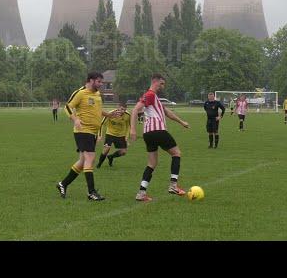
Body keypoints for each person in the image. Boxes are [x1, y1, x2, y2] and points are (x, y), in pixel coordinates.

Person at [56, 72, 122, 201]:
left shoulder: (97, 94)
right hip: (82, 130)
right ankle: (91, 192)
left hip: (92, 132)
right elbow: (68, 107)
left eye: (102, 82)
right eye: (99, 82)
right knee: (90, 158)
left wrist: (109, 115)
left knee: (82, 162)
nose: (101, 84)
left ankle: (62, 184)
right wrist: (75, 119)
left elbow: (97, 111)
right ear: (91, 80)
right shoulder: (80, 92)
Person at [130, 73, 190, 202]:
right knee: (177, 153)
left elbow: (167, 112)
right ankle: (173, 185)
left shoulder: (154, 98)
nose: (163, 86)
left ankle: (141, 193)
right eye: (161, 83)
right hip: (158, 131)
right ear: (155, 81)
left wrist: (181, 122)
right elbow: (135, 110)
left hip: (148, 134)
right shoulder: (150, 95)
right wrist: (133, 129)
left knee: (152, 163)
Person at [96, 100, 131, 168]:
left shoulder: (128, 115)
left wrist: (126, 137)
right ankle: (99, 164)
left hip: (121, 135)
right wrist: (100, 135)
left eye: (124, 109)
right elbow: (102, 124)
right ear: (117, 107)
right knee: (106, 149)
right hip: (110, 134)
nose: (122, 111)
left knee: (123, 152)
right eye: (121, 109)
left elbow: (129, 126)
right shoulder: (110, 113)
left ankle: (111, 157)